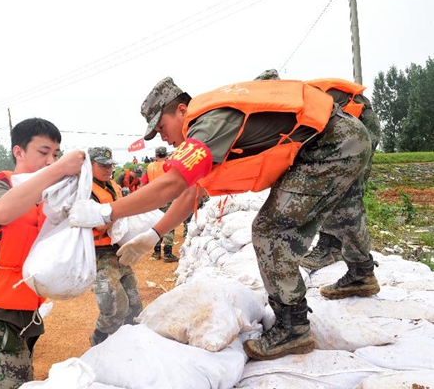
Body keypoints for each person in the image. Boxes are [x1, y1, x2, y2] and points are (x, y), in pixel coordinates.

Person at [69, 77, 380, 361]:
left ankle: (292, 327)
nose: (161, 137)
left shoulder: (207, 124)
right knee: (345, 209)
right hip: (346, 137)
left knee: (269, 230)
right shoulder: (209, 129)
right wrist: (155, 232)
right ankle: (362, 273)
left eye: (161, 127)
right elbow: (191, 191)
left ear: (180, 110)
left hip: (330, 144)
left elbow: (174, 183)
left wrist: (107, 212)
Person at [0, 117, 84, 389]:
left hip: (26, 317)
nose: (51, 161)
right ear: (18, 152)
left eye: (56, 154)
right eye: (43, 153)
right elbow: (1, 213)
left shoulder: (50, 197)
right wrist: (57, 172)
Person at [254, 70, 382, 271]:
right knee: (329, 187)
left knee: (344, 189)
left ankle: (341, 253)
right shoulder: (290, 100)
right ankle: (332, 246)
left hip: (361, 126)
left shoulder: (297, 99)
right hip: (345, 130)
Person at [87, 146, 143, 346]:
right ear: (89, 165)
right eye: (102, 165)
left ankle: (130, 345)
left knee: (135, 306)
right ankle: (98, 338)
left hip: (118, 250)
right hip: (99, 255)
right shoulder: (85, 191)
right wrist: (121, 213)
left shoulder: (111, 185)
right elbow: (99, 225)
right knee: (114, 308)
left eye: (110, 165)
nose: (108, 169)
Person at [141, 146, 179, 262]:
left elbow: (143, 184)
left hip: (154, 200)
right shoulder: (170, 165)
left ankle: (156, 252)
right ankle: (167, 253)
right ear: (166, 155)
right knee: (170, 225)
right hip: (168, 198)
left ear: (156, 155)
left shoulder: (149, 167)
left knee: (156, 224)